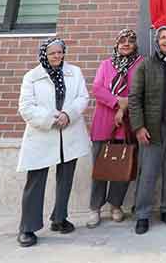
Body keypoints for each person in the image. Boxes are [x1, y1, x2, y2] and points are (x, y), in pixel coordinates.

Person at [16, 37, 91, 247]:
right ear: (44, 55)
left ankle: (59, 219)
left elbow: (83, 98)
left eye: (60, 52)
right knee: (35, 182)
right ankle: (27, 228)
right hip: (43, 135)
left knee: (65, 179)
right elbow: (26, 107)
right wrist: (51, 119)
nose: (57, 56)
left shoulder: (74, 72)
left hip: (69, 133)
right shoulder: (32, 77)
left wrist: (68, 114)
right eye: (52, 53)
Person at [128, 25, 166, 234]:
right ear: (157, 42)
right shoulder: (146, 65)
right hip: (152, 128)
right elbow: (134, 98)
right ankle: (142, 214)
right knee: (148, 172)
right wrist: (138, 127)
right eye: (163, 37)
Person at [87, 28, 143, 228]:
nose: (126, 44)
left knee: (122, 167)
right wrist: (118, 103)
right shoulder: (106, 64)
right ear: (116, 44)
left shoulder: (140, 64)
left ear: (135, 44)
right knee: (100, 168)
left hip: (127, 125)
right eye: (122, 41)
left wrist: (124, 108)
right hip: (104, 124)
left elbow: (140, 90)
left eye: (130, 41)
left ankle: (116, 205)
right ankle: (95, 208)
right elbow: (97, 89)